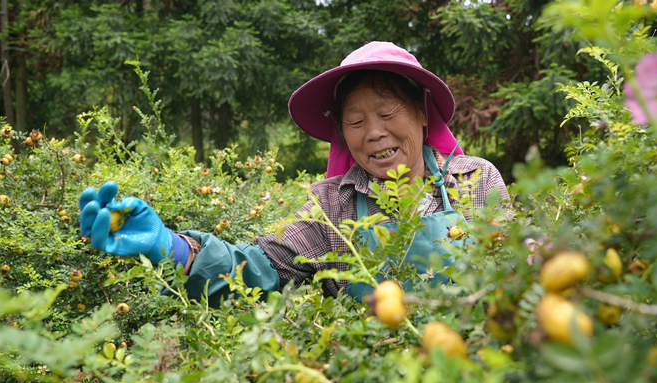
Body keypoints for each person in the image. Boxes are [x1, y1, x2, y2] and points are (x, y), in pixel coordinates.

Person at [79, 41, 511, 306]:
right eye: (356, 121)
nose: (375, 133)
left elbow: (514, 271)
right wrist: (172, 248)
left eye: (387, 112)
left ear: (421, 112)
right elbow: (262, 267)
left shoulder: (476, 180)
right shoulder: (331, 205)